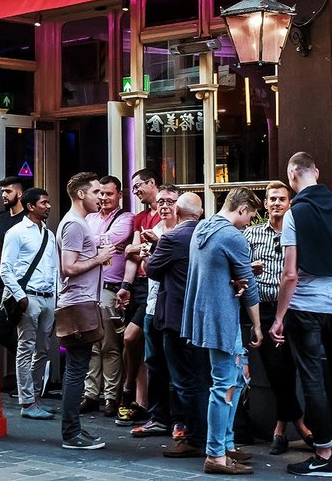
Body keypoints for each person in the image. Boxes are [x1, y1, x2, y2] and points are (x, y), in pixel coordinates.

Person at [270, 152, 332, 477]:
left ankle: (324, 454)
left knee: (313, 378)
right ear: (317, 171)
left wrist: (279, 316)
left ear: (291, 177)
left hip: (305, 308)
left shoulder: (294, 214)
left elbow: (290, 274)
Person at [182, 187, 263, 475]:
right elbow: (249, 287)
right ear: (241, 209)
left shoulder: (202, 228)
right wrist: (257, 325)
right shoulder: (233, 236)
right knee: (224, 386)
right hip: (223, 318)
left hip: (204, 314)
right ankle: (216, 455)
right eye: (250, 216)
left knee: (235, 380)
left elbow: (216, 270)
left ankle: (226, 445)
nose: (249, 222)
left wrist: (237, 277)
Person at [243, 181, 311, 454]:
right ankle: (301, 426)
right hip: (264, 309)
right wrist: (250, 268)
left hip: (295, 307)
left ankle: (280, 430)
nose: (277, 203)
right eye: (272, 199)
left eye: (282, 198)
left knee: (291, 368)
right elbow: (237, 267)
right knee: (275, 369)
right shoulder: (251, 234)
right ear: (266, 202)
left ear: (290, 202)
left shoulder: (298, 234)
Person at [146, 192, 211, 459]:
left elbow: (152, 270)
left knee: (183, 381)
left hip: (175, 317)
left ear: (179, 213)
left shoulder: (172, 238)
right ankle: (211, 437)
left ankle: (194, 438)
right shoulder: (207, 235)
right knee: (204, 378)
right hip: (203, 316)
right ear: (200, 212)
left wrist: (153, 250)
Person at [56, 171, 113, 450]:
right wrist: (99, 258)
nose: (100, 197)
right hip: (77, 302)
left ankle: (74, 428)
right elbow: (68, 267)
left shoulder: (78, 223)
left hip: (82, 301)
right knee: (77, 369)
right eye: (96, 192)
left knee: (78, 368)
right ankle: (71, 433)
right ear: (81, 194)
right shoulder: (75, 225)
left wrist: (96, 257)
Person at [119, 184, 179, 437]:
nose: (164, 206)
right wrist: (143, 256)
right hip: (153, 303)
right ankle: (157, 417)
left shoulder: (183, 232)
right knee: (154, 363)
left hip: (175, 307)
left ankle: (180, 421)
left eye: (170, 202)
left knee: (177, 366)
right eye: (162, 202)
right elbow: (146, 265)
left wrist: (152, 251)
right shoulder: (153, 230)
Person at [0, 187, 60, 420]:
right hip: (28, 296)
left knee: (43, 349)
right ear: (31, 206)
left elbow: (53, 269)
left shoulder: (49, 233)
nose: (48, 206)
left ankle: (36, 397)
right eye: (44, 203)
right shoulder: (16, 232)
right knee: (26, 349)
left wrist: (56, 297)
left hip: (47, 296)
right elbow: (6, 267)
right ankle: (27, 402)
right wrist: (20, 296)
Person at [82, 174, 135, 417]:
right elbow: (81, 243)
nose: (103, 198)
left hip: (111, 288)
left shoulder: (127, 218)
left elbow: (113, 239)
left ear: (119, 195)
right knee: (92, 345)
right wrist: (96, 244)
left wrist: (91, 243)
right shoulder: (89, 217)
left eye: (109, 194)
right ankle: (90, 393)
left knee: (110, 346)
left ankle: (111, 397)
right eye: (101, 193)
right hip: (88, 286)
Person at [114, 167, 161, 427]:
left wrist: (139, 248)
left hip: (157, 286)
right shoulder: (140, 218)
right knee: (134, 342)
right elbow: (130, 254)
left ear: (152, 183)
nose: (135, 192)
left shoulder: (165, 217)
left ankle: (130, 390)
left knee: (133, 337)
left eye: (138, 186)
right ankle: (139, 402)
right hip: (140, 284)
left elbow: (142, 248)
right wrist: (125, 285)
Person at [0, 176, 27, 300]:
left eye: (8, 191)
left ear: (20, 194)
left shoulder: (29, 219)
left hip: (26, 282)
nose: (4, 195)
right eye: (2, 191)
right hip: (5, 283)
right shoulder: (0, 220)